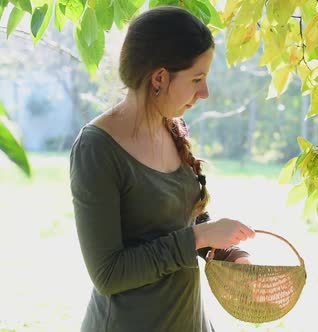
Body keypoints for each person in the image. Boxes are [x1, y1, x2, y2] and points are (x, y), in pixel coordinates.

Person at [69, 6, 256, 332]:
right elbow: (108, 274)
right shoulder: (96, 149)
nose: (205, 92)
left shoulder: (172, 127)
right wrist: (200, 236)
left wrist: (229, 252)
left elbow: (181, 220)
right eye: (197, 79)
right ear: (159, 78)